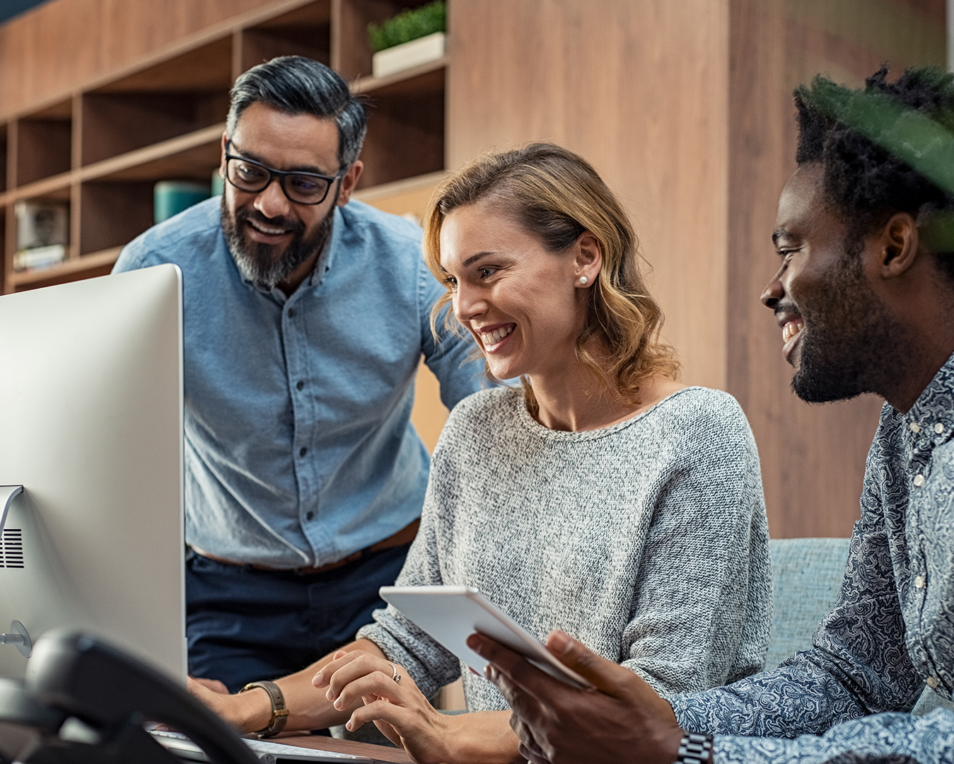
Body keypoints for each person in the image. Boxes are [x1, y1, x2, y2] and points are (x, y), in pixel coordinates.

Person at [470, 66, 954, 764]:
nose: (771, 289)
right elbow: (854, 676)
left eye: (790, 250)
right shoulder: (905, 430)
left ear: (894, 246)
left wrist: (687, 753)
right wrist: (651, 721)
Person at [272, 142, 774, 763]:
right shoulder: (476, 429)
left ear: (585, 257)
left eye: (488, 272)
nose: (463, 307)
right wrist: (255, 705)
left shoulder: (698, 432)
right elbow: (410, 641)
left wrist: (449, 734)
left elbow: (660, 704)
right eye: (454, 280)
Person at [112, 55, 482, 692]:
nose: (269, 204)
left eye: (305, 184)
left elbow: (492, 410)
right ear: (225, 150)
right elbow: (109, 446)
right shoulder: (153, 272)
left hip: (387, 583)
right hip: (229, 597)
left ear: (348, 181)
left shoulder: (409, 263)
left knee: (380, 755)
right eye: (250, 171)